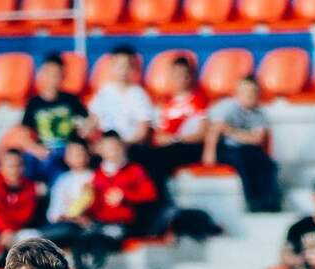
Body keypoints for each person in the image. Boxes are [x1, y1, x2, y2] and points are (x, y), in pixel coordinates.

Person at [71, 131, 157, 269]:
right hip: (100, 222)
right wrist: (85, 207)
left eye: (115, 147)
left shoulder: (134, 170)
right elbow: (95, 204)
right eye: (108, 148)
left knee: (100, 243)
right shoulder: (98, 174)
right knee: (80, 241)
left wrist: (125, 196)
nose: (112, 152)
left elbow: (150, 194)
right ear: (101, 150)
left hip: (122, 224)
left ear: (122, 148)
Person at [204, 76, 281, 213]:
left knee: (268, 164)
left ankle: (271, 200)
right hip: (227, 149)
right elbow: (215, 130)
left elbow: (257, 139)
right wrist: (209, 153)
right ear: (237, 93)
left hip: (248, 149)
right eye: (246, 92)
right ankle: (254, 201)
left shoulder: (260, 114)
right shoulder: (227, 107)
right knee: (244, 163)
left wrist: (231, 131)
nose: (250, 95)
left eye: (254, 92)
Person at [20, 53, 91, 183]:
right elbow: (25, 133)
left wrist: (84, 131)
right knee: (30, 160)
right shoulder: (34, 103)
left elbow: (87, 122)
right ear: (41, 75)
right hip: (44, 150)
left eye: (57, 74)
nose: (53, 78)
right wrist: (36, 149)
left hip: (68, 149)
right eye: (49, 73)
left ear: (63, 76)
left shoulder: (71, 100)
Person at [146, 57, 210, 195]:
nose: (181, 79)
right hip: (167, 148)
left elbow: (202, 134)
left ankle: (157, 199)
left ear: (191, 77)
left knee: (162, 158)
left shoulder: (200, 101)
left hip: (189, 147)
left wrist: (176, 139)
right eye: (177, 75)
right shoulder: (163, 104)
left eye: (184, 75)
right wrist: (164, 139)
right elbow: (157, 136)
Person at [87, 46, 155, 147]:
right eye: (119, 66)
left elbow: (142, 132)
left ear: (134, 69)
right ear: (112, 67)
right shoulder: (104, 92)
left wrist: (122, 146)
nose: (123, 70)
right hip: (106, 146)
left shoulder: (139, 95)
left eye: (127, 66)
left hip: (130, 146)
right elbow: (93, 121)